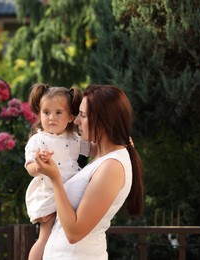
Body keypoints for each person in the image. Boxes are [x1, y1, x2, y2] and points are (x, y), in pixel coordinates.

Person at [34, 84, 144, 259]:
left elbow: (74, 233)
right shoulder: (102, 157)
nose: (76, 121)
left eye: (83, 115)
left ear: (104, 120)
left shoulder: (112, 167)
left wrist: (55, 178)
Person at [24, 83, 93, 260]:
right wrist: (39, 165)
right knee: (45, 238)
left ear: (70, 117)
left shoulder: (74, 138)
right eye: (46, 112)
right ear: (39, 113)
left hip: (69, 193)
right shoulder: (38, 140)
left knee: (60, 238)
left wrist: (117, 144)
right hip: (48, 193)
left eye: (58, 113)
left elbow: (94, 150)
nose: (51, 118)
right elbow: (30, 168)